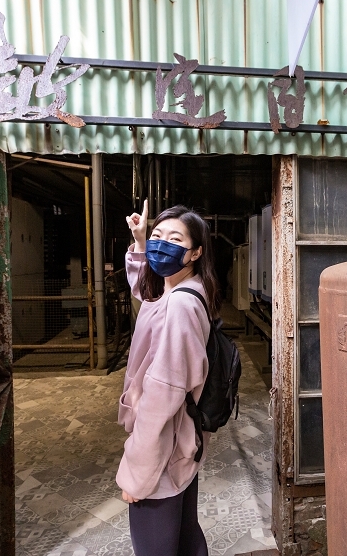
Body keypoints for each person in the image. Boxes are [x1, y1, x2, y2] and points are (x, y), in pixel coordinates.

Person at [117, 200, 220, 556]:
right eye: (158, 235)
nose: (162, 244)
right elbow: (147, 294)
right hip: (183, 443)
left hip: (163, 447)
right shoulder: (181, 289)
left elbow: (162, 398)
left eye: (174, 239)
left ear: (195, 252)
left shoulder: (179, 305)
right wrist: (142, 240)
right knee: (186, 538)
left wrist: (137, 472)